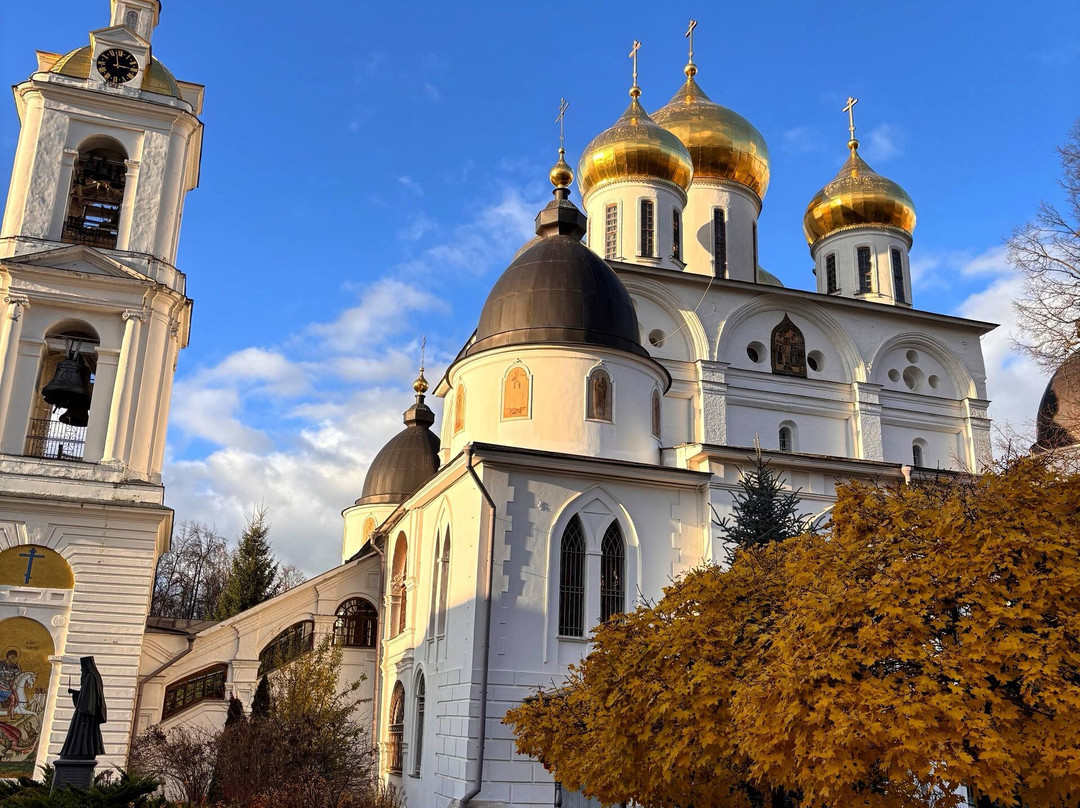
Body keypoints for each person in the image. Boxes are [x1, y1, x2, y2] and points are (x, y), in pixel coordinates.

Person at [58, 656, 106, 759]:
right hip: (88, 711)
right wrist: (75, 693)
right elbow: (87, 694)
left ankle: (77, 752)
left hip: (85, 712)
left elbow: (87, 697)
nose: (81, 670)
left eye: (82, 668)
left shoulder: (90, 677)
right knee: (86, 734)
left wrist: (84, 709)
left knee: (80, 733)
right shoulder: (94, 677)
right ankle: (81, 751)